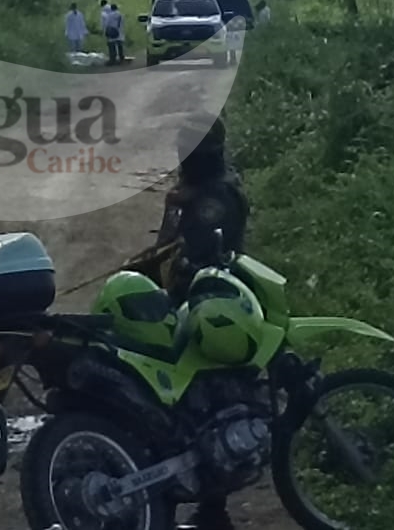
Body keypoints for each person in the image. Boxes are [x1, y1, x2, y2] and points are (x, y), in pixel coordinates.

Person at [124, 113, 248, 530]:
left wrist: (179, 214)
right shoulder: (194, 193)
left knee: (205, 405)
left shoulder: (218, 195)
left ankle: (212, 507)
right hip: (185, 301)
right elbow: (165, 250)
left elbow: (198, 254)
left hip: (210, 305)